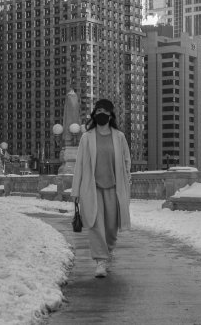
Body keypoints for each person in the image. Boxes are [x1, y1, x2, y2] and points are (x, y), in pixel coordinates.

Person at [71, 98, 132, 279]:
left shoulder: (119, 137)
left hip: (114, 188)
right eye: (98, 112)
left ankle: (109, 251)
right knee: (96, 225)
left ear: (111, 115)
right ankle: (100, 261)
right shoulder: (86, 138)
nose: (101, 115)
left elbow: (127, 161)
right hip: (92, 189)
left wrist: (127, 178)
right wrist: (76, 192)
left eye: (105, 112)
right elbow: (80, 165)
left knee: (111, 227)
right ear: (94, 115)